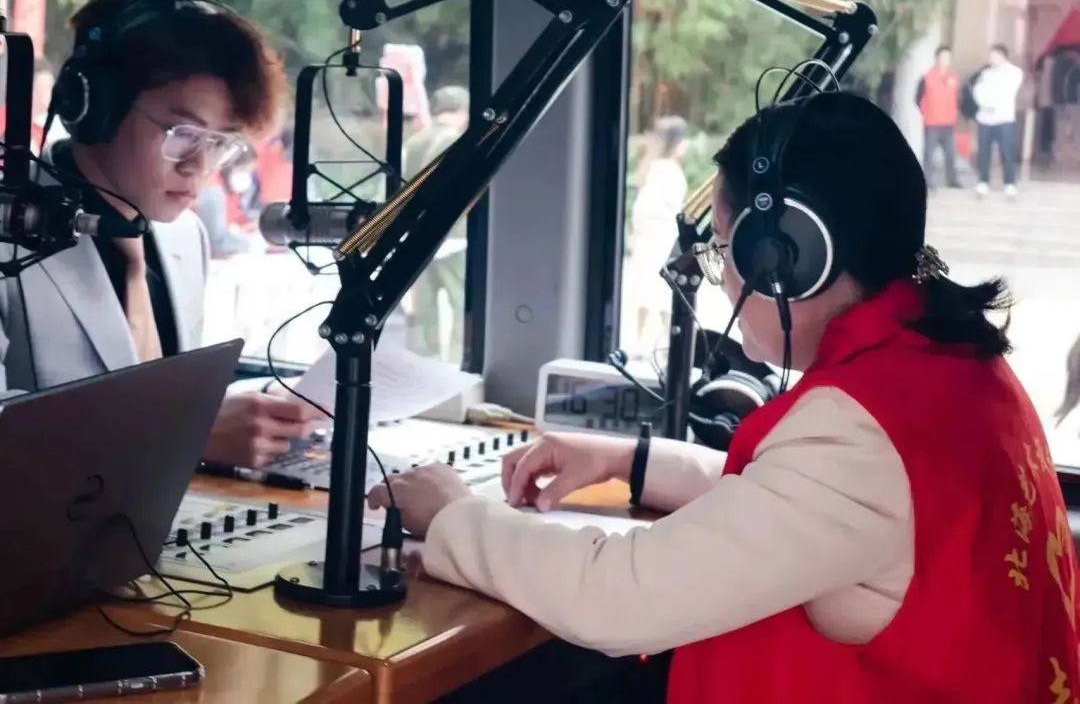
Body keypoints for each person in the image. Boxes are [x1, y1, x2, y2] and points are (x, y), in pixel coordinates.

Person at [370, 91, 1078, 702]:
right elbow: (797, 508)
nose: (723, 278)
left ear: (784, 258)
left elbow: (617, 598)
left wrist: (455, 516)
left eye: (723, 248)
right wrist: (628, 461)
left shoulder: (857, 437)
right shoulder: (955, 367)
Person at [0, 0, 324, 467]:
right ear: (95, 107)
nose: (199, 167)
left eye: (221, 143)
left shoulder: (184, 236)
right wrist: (183, 432)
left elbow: (159, 401)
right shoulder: (7, 230)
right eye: (183, 133)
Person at [401, 85, 470, 362]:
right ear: (463, 111)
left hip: (417, 234)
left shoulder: (414, 142)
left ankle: (422, 360)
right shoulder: (459, 141)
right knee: (461, 301)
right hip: (453, 234)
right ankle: (459, 358)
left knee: (424, 305)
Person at [624, 116, 690, 353]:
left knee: (647, 291)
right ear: (678, 143)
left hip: (649, 237)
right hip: (662, 238)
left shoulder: (653, 168)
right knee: (663, 292)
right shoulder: (668, 171)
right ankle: (672, 344)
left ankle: (641, 343)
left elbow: (641, 208)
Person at [973, 43, 1024, 197]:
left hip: (1004, 118)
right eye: (990, 56)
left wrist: (992, 104)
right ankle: (983, 182)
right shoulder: (985, 73)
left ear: (1002, 56)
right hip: (985, 118)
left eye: (994, 56)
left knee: (1007, 152)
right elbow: (978, 90)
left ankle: (1009, 183)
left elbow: (1006, 92)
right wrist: (984, 104)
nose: (991, 59)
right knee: (984, 152)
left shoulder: (1014, 72)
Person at [914, 45, 960, 188]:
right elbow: (917, 98)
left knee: (951, 154)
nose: (945, 60)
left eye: (948, 57)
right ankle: (926, 181)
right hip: (932, 123)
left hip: (949, 122)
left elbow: (957, 98)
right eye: (943, 57)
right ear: (937, 58)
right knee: (929, 154)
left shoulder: (953, 77)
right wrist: (927, 112)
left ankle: (952, 180)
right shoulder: (927, 77)